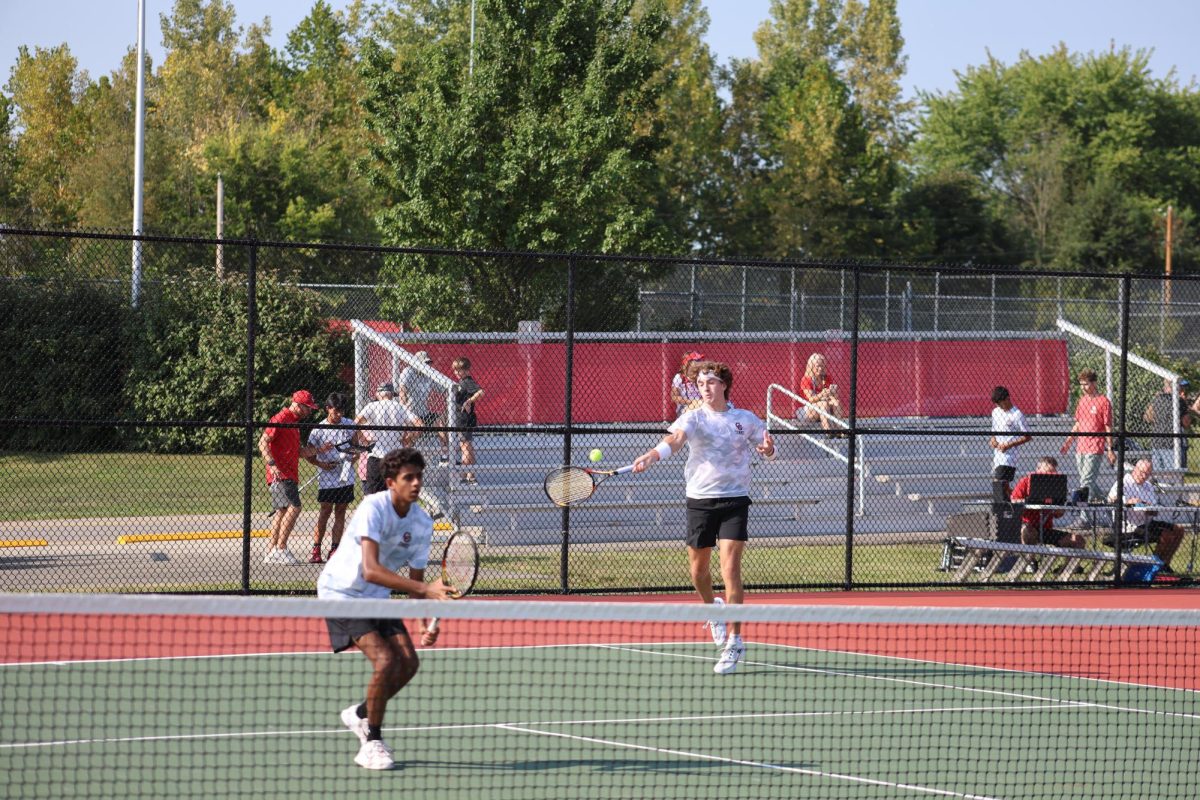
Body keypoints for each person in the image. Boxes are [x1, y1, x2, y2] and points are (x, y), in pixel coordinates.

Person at [631, 360, 776, 675]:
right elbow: (676, 439)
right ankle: (714, 610)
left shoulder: (744, 419)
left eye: (710, 383)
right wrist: (654, 454)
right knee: (698, 573)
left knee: (730, 569)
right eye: (700, 385)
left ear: (724, 384)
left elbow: (765, 443)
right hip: (700, 501)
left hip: (735, 500)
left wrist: (768, 449)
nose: (705, 389)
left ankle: (735, 640)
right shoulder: (693, 417)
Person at [316, 448, 457, 770]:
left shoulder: (422, 522)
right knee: (386, 660)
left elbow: (417, 580)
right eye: (409, 477)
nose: (417, 483)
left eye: (420, 476)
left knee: (408, 663)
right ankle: (372, 741)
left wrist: (424, 622)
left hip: (377, 595)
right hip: (342, 591)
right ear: (392, 482)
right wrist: (424, 590)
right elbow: (371, 569)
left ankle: (360, 713)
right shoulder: (373, 507)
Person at [259, 390, 321, 564]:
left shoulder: (294, 423)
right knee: (295, 507)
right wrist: (272, 465)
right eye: (308, 408)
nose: (310, 412)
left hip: (289, 473)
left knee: (282, 512)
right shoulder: (281, 418)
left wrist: (319, 450)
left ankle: (272, 551)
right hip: (281, 473)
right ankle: (281, 548)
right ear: (299, 405)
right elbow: (263, 442)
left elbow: (298, 452)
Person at [1106, 458, 1185, 573]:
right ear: (1135, 469)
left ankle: (1164, 564)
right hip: (1130, 526)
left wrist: (1148, 508)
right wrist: (1129, 502)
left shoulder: (1148, 486)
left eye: (1147, 474)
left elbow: (1154, 510)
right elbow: (1111, 499)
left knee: (1179, 529)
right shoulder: (1123, 482)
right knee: (1166, 536)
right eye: (1142, 472)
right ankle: (1152, 567)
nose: (1144, 476)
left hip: (1147, 522)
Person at [305, 392, 356, 564]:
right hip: (327, 474)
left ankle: (335, 549)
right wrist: (321, 463)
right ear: (328, 409)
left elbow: (356, 446)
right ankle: (316, 548)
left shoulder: (349, 424)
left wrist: (352, 456)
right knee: (325, 511)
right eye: (336, 411)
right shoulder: (318, 430)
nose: (340, 415)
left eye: (342, 411)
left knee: (340, 511)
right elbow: (309, 455)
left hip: (345, 474)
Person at [354, 382, 421, 495]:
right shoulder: (400, 407)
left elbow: (355, 424)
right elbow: (420, 424)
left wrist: (363, 439)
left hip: (376, 455)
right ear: (391, 395)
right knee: (395, 496)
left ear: (378, 394)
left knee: (373, 497)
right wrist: (409, 439)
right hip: (396, 457)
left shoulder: (372, 406)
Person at [1060, 369, 1115, 509]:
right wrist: (1068, 442)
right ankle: (1106, 503)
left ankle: (1084, 517)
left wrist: (1110, 449)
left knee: (1086, 481)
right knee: (1087, 481)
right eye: (1081, 384)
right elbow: (1078, 424)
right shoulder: (1082, 401)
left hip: (1095, 446)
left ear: (1094, 383)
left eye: (1086, 384)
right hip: (1081, 447)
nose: (1083, 387)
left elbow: (1108, 427)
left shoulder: (1104, 402)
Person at [1009, 457, 1084, 549]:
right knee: (1029, 533)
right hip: (1027, 525)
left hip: (1045, 529)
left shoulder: (1056, 486)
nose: (1049, 475)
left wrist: (1058, 508)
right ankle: (1031, 562)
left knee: (1078, 540)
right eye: (1046, 472)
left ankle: (1066, 564)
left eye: (1052, 473)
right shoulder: (1026, 481)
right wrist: (1030, 502)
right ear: (1038, 470)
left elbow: (1059, 513)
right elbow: (1013, 501)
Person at [399, 350, 450, 464]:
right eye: (424, 363)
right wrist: (404, 412)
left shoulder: (429, 375)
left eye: (427, 363)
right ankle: (405, 455)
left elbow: (444, 389)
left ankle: (445, 456)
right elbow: (402, 391)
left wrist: (450, 399)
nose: (426, 366)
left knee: (440, 422)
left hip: (424, 413)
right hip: (410, 412)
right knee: (416, 429)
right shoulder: (408, 372)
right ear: (416, 363)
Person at [989, 386, 1032, 496]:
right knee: (1003, 486)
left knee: (1000, 483)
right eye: (997, 404)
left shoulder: (1017, 414)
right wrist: (993, 439)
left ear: (1007, 399)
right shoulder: (995, 412)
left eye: (1001, 403)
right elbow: (994, 430)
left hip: (1009, 457)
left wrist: (1009, 444)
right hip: (997, 455)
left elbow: (1027, 436)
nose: (999, 406)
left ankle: (1002, 509)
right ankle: (1017, 500)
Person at [1144, 378, 1193, 470]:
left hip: (1157, 442)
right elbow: (1186, 423)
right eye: (1181, 388)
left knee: (1158, 475)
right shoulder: (1180, 401)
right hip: (1173, 445)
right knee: (1175, 476)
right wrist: (1185, 405)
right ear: (1174, 387)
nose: (1183, 391)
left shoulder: (1158, 399)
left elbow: (1147, 417)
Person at [451, 357, 484, 484]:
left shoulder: (467, 381)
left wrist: (470, 401)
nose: (457, 373)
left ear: (467, 370)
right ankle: (471, 475)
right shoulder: (460, 382)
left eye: (460, 370)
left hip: (464, 420)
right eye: (456, 370)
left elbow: (481, 392)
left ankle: (465, 475)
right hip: (462, 420)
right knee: (467, 447)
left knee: (465, 447)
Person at [798, 353, 843, 436]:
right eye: (818, 366)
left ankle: (839, 429)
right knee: (824, 404)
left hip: (823, 409)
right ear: (811, 366)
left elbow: (831, 398)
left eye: (823, 366)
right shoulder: (806, 379)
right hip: (806, 411)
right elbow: (810, 399)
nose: (820, 368)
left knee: (836, 402)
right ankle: (828, 431)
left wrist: (834, 394)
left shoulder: (827, 378)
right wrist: (822, 394)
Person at [670, 351, 704, 417]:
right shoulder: (679, 377)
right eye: (697, 360)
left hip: (702, 405)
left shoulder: (702, 376)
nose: (700, 362)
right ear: (688, 364)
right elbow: (674, 397)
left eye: (700, 359)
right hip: (685, 406)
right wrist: (693, 402)